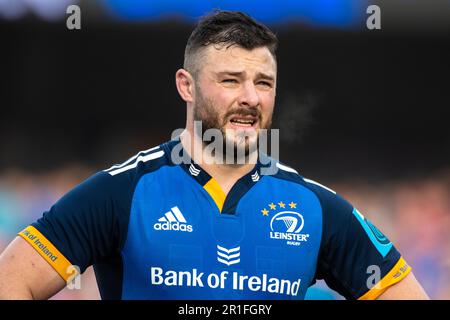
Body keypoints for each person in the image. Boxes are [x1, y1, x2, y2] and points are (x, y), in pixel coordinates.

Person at [0, 10, 428, 300]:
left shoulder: (315, 207)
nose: (249, 97)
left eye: (263, 82)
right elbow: (12, 282)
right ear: (187, 85)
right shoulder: (122, 193)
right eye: (230, 80)